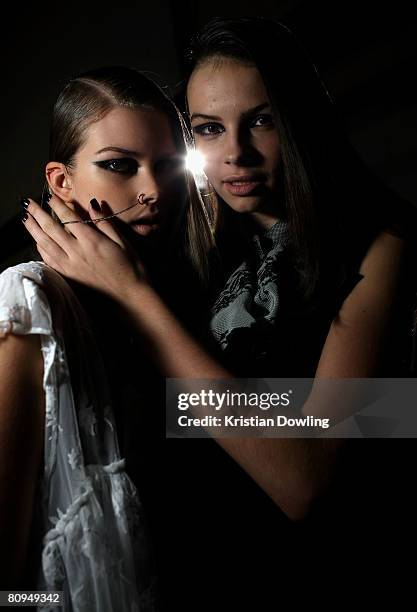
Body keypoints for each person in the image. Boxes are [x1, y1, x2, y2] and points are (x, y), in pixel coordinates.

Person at [20, 18, 417, 608]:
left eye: (261, 120)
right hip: (186, 575)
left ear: (300, 118)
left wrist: (139, 302)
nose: (235, 153)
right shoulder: (190, 239)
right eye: (208, 128)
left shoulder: (381, 247)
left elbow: (307, 477)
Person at [0, 65, 207, 609]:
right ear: (61, 180)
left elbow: (359, 422)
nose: (151, 191)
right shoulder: (28, 301)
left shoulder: (180, 289)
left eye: (169, 166)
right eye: (118, 165)